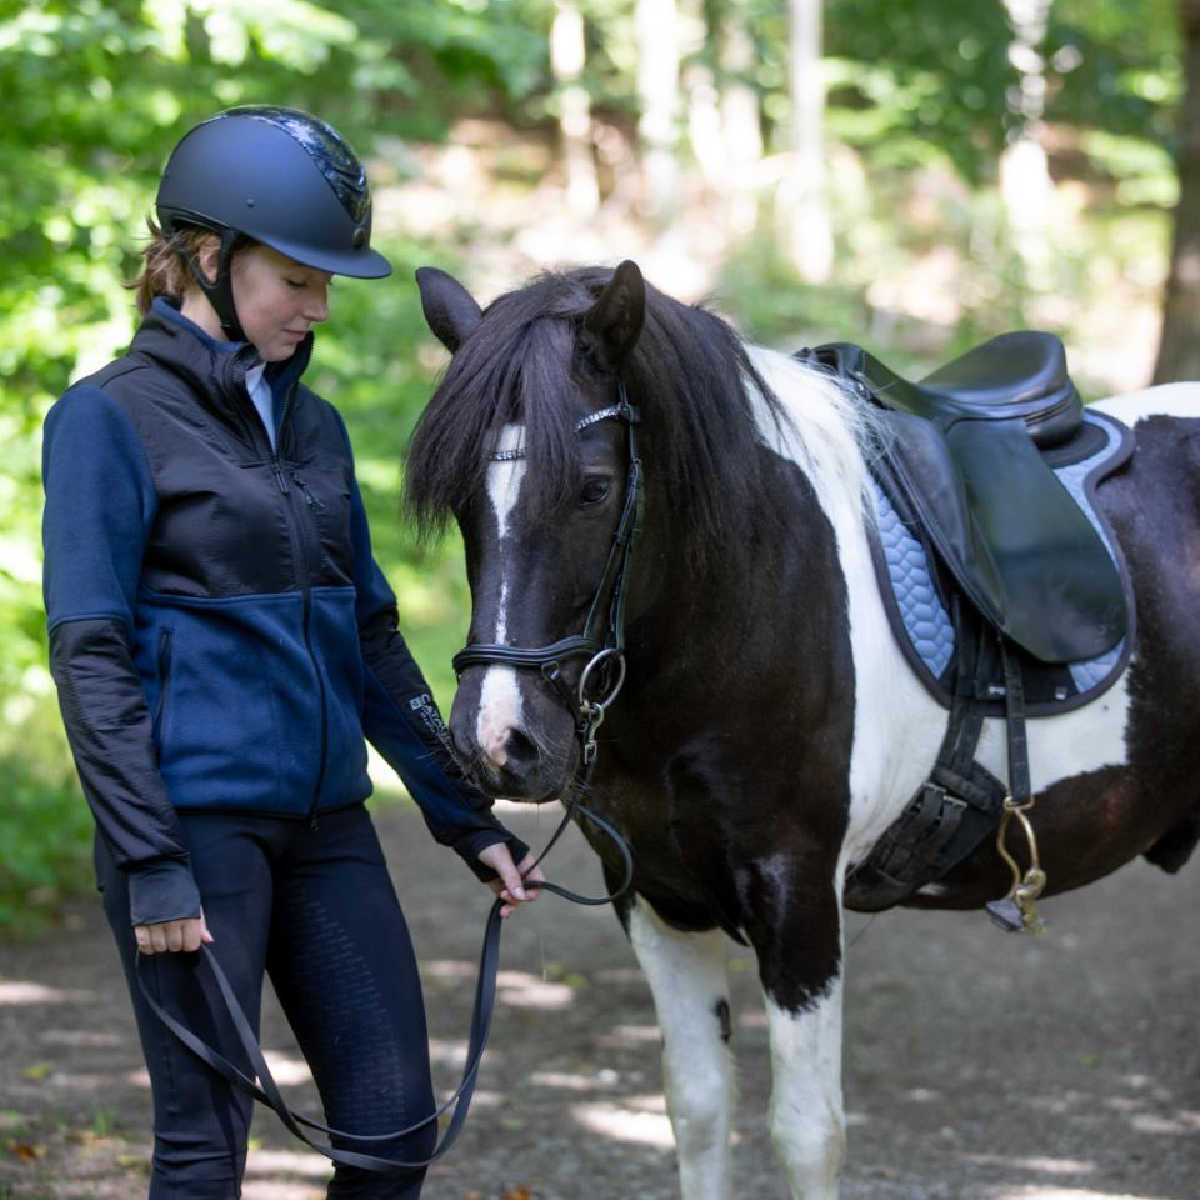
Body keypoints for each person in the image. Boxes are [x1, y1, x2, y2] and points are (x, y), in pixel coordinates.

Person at [41, 106, 541, 1199]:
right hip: (193, 833)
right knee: (204, 1152)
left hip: (326, 826)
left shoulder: (314, 429)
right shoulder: (106, 420)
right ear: (209, 260)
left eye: (325, 287)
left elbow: (367, 633)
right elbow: (90, 655)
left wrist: (467, 820)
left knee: (394, 1131)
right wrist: (153, 862)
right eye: (296, 282)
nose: (316, 311)